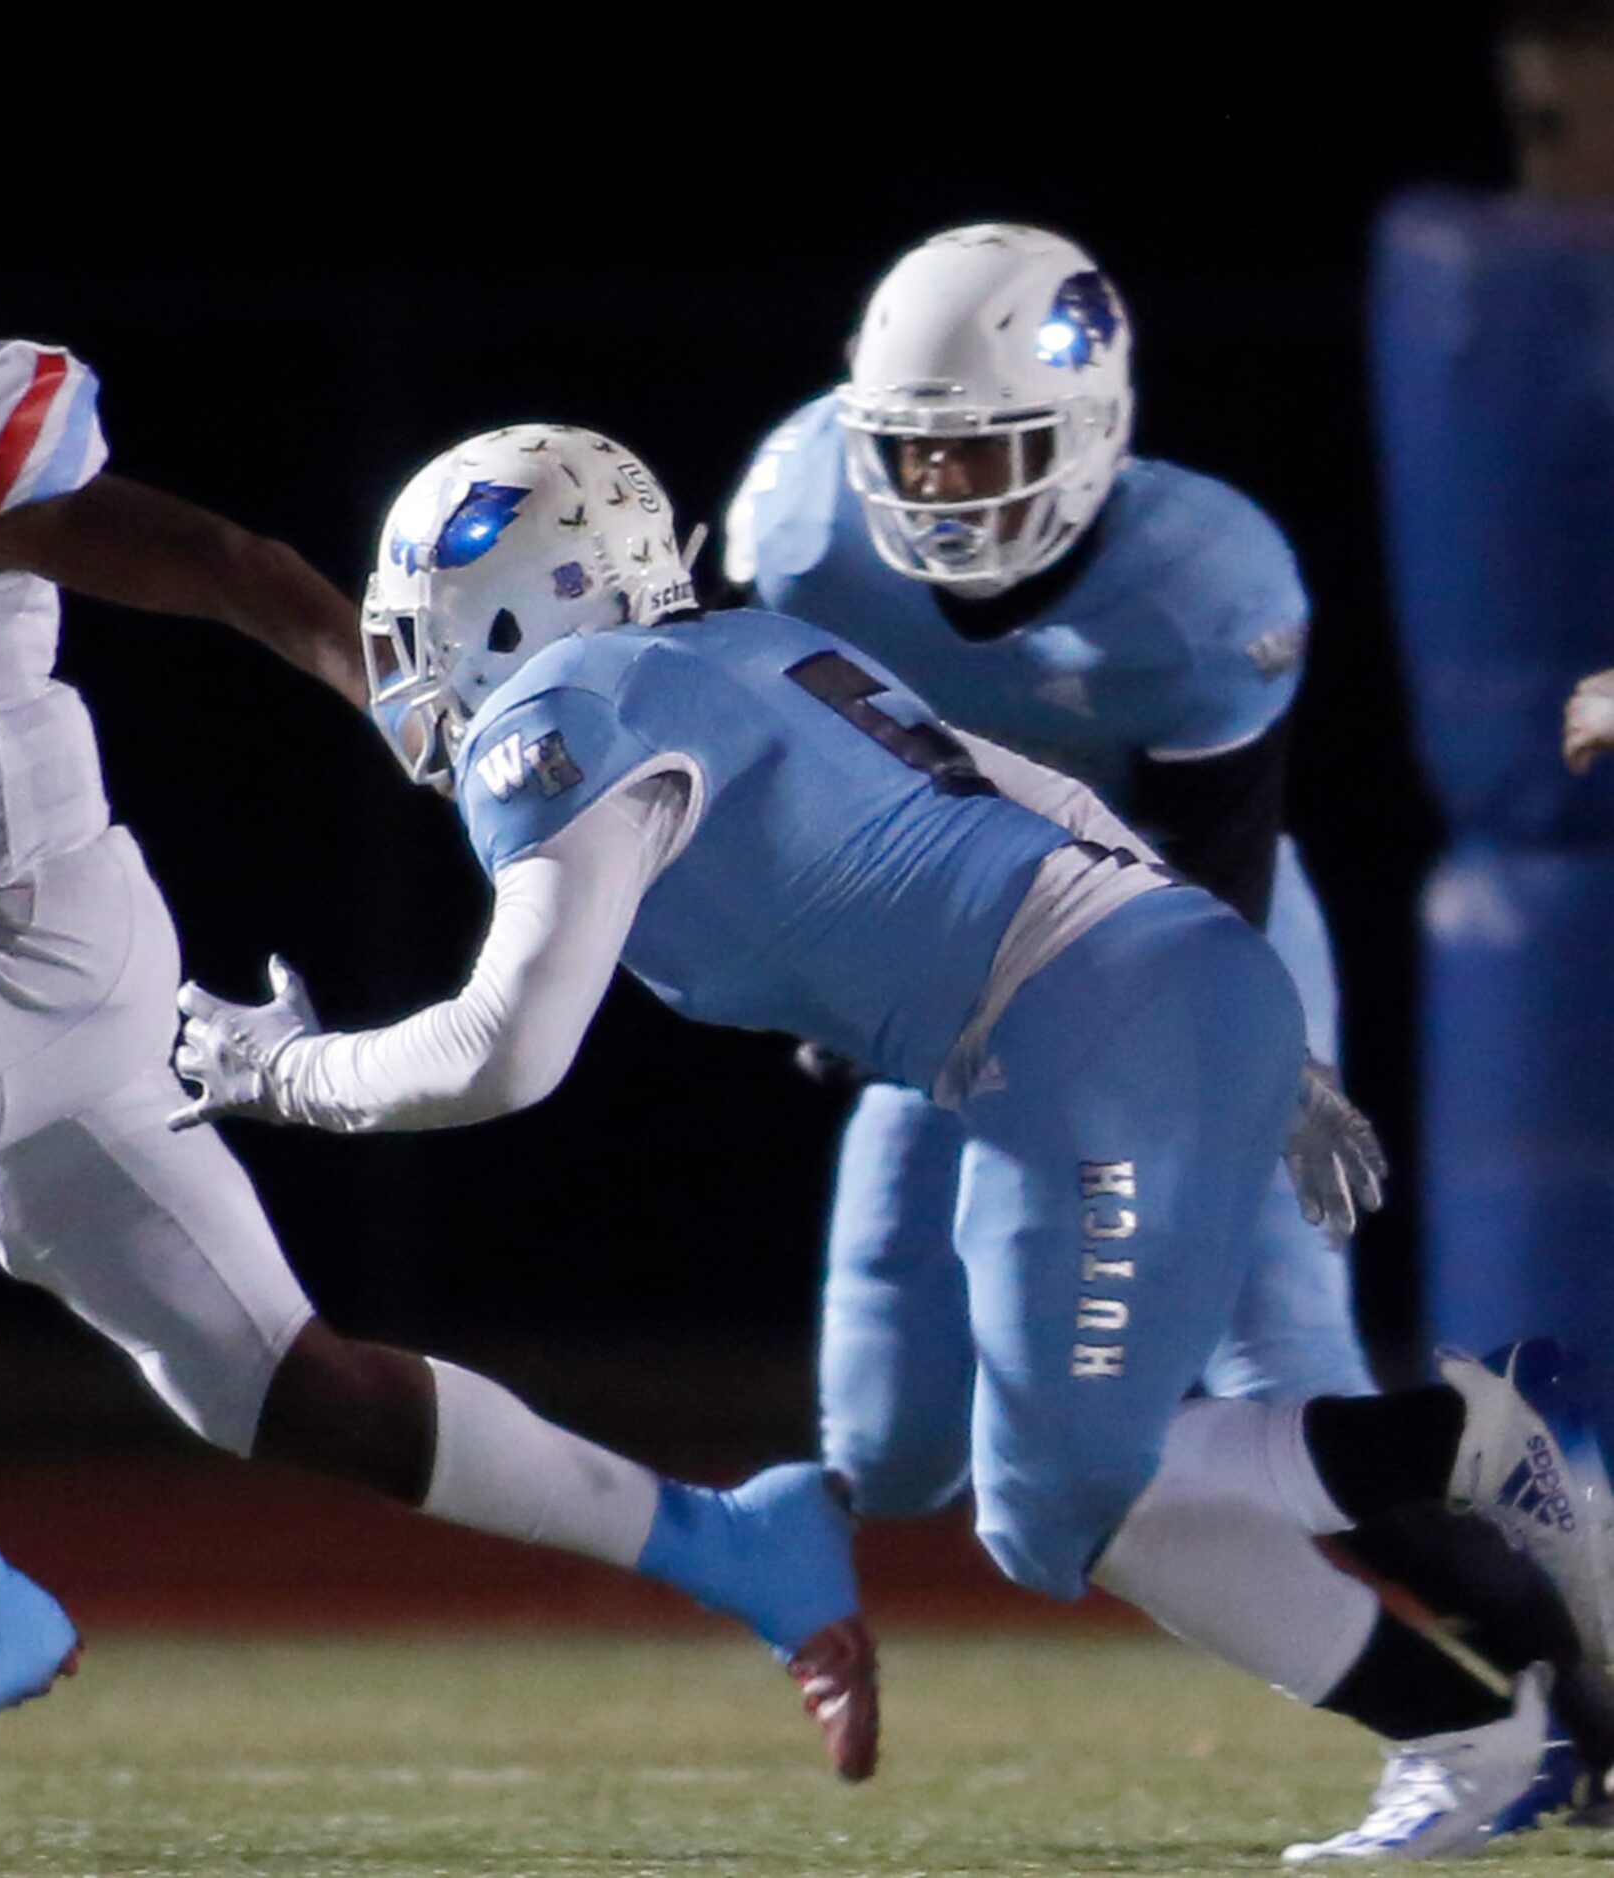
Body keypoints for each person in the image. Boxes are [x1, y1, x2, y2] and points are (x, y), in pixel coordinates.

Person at [0, 138, 877, 1787]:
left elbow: (224, 568)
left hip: (26, 941)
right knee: (281, 1389)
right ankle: (739, 1544)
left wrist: (408, 707)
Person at [171, 422, 1612, 1858]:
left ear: (518, 599)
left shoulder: (563, 713)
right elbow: (1040, 797)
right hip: (1097, 1016)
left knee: (1065, 1505)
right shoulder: (746, 649)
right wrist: (1254, 1030)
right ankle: (1472, 1686)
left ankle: (1486, 1508)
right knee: (1052, 1509)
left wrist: (275, 1068)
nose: (413, 662)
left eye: (426, 621)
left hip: (1085, 1035)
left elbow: (503, 1055)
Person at [722, 221, 1614, 1832]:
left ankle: (1559, 1680)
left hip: (1190, 958)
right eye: (911, 459)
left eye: (983, 452)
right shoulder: (798, 528)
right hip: (935, 980)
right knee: (896, 1439)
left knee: (1231, 1388)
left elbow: (1195, 890)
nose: (942, 499)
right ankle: (1501, 1588)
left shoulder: (1198, 585)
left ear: (1089, 433)